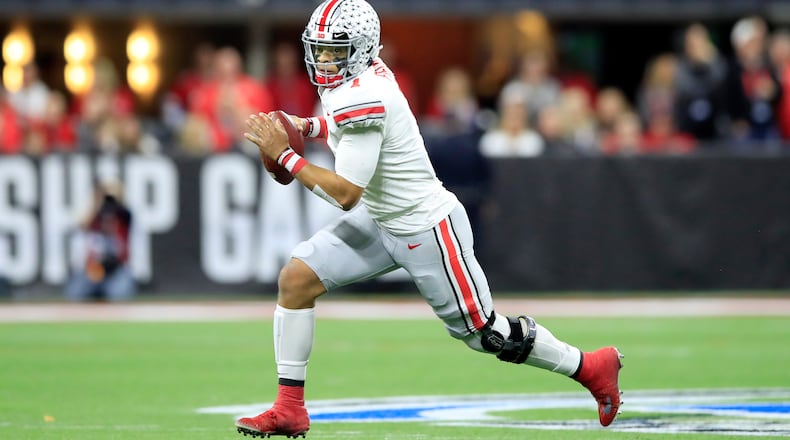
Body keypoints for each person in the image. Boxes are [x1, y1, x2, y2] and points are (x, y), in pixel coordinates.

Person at [237, 0, 623, 437]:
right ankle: (289, 408)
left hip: (425, 226)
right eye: (319, 49)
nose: (323, 60)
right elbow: (344, 124)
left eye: (334, 50)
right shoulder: (359, 77)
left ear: (362, 50)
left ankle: (591, 367)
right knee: (296, 279)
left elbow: (345, 194)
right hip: (383, 219)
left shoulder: (366, 94)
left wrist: (285, 154)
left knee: (486, 335)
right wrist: (307, 127)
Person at [64, 181, 135, 302]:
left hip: (116, 269)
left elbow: (126, 213)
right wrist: (97, 200)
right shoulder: (95, 216)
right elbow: (81, 224)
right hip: (93, 268)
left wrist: (115, 197)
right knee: (74, 295)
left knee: (119, 297)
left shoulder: (122, 215)